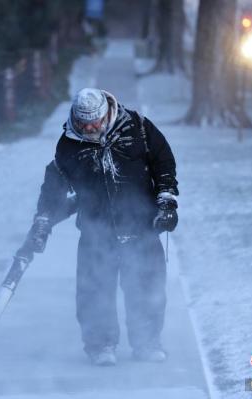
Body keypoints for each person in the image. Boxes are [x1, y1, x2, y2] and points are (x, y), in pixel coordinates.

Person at [28, 88, 178, 366]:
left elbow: (164, 163)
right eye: (82, 122)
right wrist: (43, 221)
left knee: (146, 287)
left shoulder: (139, 128)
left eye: (93, 122)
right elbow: (55, 187)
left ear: (106, 113)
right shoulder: (69, 145)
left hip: (141, 227)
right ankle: (100, 345)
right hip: (97, 232)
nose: (88, 128)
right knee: (94, 290)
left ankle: (147, 342)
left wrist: (167, 201)